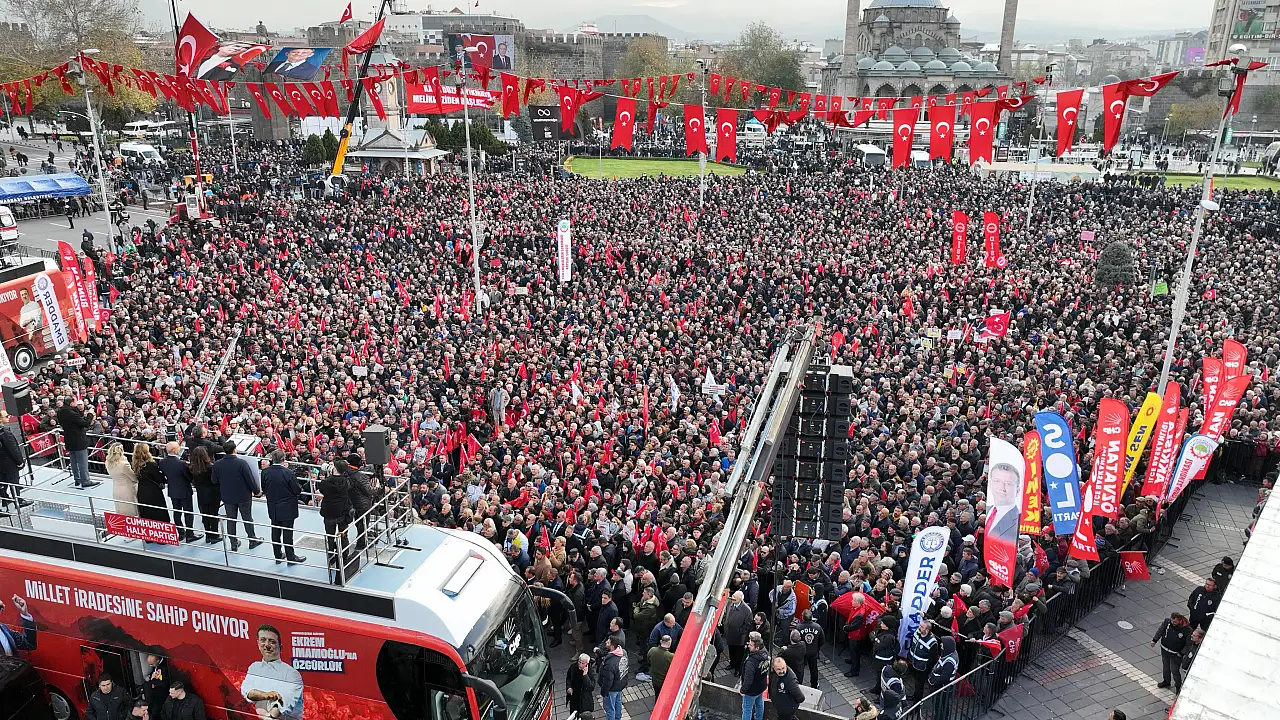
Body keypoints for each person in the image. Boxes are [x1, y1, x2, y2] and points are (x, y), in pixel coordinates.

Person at [241, 624, 304, 719]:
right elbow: (246, 691)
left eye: (272, 642)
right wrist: (265, 695)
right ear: (258, 644)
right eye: (263, 640)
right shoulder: (254, 667)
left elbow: (284, 704)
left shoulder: (291, 673)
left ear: (280, 647)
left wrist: (269, 715)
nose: (267, 645)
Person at [212, 440, 262, 551]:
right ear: (235, 450)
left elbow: (214, 480)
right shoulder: (242, 463)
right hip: (243, 496)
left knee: (231, 519)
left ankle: (233, 543)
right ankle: (252, 540)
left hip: (228, 496)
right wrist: (256, 491)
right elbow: (250, 480)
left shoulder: (217, 464)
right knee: (247, 518)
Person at [261, 450, 305, 564]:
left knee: (275, 532)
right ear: (283, 459)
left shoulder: (265, 472)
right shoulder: (288, 473)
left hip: (273, 506)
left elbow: (264, 489)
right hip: (287, 508)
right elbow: (296, 490)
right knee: (287, 534)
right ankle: (290, 557)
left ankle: (278, 555)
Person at [319, 459, 353, 582]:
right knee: (343, 535)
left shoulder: (326, 483)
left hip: (329, 514)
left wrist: (328, 477)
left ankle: (331, 555)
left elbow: (321, 488)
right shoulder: (347, 482)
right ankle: (344, 555)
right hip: (342, 513)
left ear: (334, 469)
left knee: (330, 536)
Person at [158, 441, 199, 542]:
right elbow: (189, 477)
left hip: (173, 490)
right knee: (188, 512)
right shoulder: (181, 463)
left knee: (177, 512)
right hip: (184, 491)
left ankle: (181, 533)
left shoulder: (162, 462)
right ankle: (190, 534)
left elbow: (163, 475)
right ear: (175, 450)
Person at [57, 397, 98, 489]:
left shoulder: (60, 412)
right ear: (71, 403)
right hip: (78, 440)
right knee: (82, 462)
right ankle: (85, 480)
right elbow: (85, 423)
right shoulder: (71, 413)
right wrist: (90, 414)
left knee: (74, 461)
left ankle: (77, 479)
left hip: (69, 439)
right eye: (75, 401)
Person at [1151, 612, 1191, 692]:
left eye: (1175, 622)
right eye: (1172, 621)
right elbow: (1161, 630)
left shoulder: (1187, 630)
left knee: (1174, 670)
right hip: (1165, 649)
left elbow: (1188, 644)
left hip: (1176, 654)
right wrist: (1155, 640)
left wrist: (1181, 653)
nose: (1172, 623)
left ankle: (1178, 686)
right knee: (1166, 667)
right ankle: (1166, 681)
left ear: (1179, 620)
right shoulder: (1167, 622)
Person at [133, 443, 171, 526]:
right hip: (153, 493)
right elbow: (160, 479)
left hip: (142, 492)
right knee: (159, 515)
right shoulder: (151, 465)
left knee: (147, 516)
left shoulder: (135, 465)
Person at [189, 446, 220, 544]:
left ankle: (208, 536)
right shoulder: (210, 467)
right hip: (213, 494)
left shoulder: (192, 468)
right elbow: (216, 480)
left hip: (201, 494)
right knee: (213, 515)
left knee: (205, 515)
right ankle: (214, 535)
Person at [0, 409, 28, 513]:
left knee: (3, 483)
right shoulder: (5, 433)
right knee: (14, 482)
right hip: (9, 464)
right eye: (6, 416)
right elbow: (13, 449)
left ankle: (5, 500)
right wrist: (19, 461)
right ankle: (18, 500)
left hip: (2, 465)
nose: (9, 417)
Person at [721, 589, 753, 677]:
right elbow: (725, 615)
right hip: (729, 634)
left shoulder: (747, 610)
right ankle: (732, 664)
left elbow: (748, 626)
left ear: (740, 599)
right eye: (733, 597)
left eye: (735, 598)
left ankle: (738, 669)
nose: (733, 599)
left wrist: (739, 632)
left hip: (739, 638)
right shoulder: (730, 604)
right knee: (731, 651)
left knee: (739, 655)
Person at [740, 632, 770, 720]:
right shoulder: (765, 653)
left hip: (751, 690)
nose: (749, 645)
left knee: (747, 709)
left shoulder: (751, 662)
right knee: (759, 704)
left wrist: (743, 690)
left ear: (757, 648)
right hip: (761, 686)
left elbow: (748, 679)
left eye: (751, 645)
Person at [596, 635, 627, 720]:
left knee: (609, 708)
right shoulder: (623, 652)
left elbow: (608, 681)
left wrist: (603, 692)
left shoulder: (610, 662)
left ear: (612, 646)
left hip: (611, 689)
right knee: (618, 703)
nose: (606, 642)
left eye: (608, 642)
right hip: (619, 685)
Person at [767, 655, 806, 720]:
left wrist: (790, 705)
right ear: (774, 668)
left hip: (786, 710)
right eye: (779, 669)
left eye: (783, 668)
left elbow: (801, 698)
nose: (782, 671)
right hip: (780, 707)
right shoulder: (774, 673)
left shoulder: (790, 680)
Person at [105, 443, 138, 518]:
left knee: (121, 511)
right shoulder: (124, 465)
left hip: (116, 489)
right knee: (130, 513)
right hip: (127, 490)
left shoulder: (107, 462)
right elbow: (134, 478)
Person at [796, 608, 824, 688]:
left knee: (800, 669)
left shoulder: (798, 627)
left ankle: (799, 685)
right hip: (813, 651)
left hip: (802, 651)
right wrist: (816, 647)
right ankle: (814, 685)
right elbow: (822, 641)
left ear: (802, 617)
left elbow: (795, 640)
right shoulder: (818, 627)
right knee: (814, 669)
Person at [565, 653, 596, 719]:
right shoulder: (573, 667)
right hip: (574, 699)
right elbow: (568, 678)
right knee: (574, 716)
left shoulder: (591, 672)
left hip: (584, 701)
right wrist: (569, 687)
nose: (580, 664)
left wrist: (585, 675)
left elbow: (591, 687)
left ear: (587, 664)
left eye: (583, 663)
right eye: (579, 662)